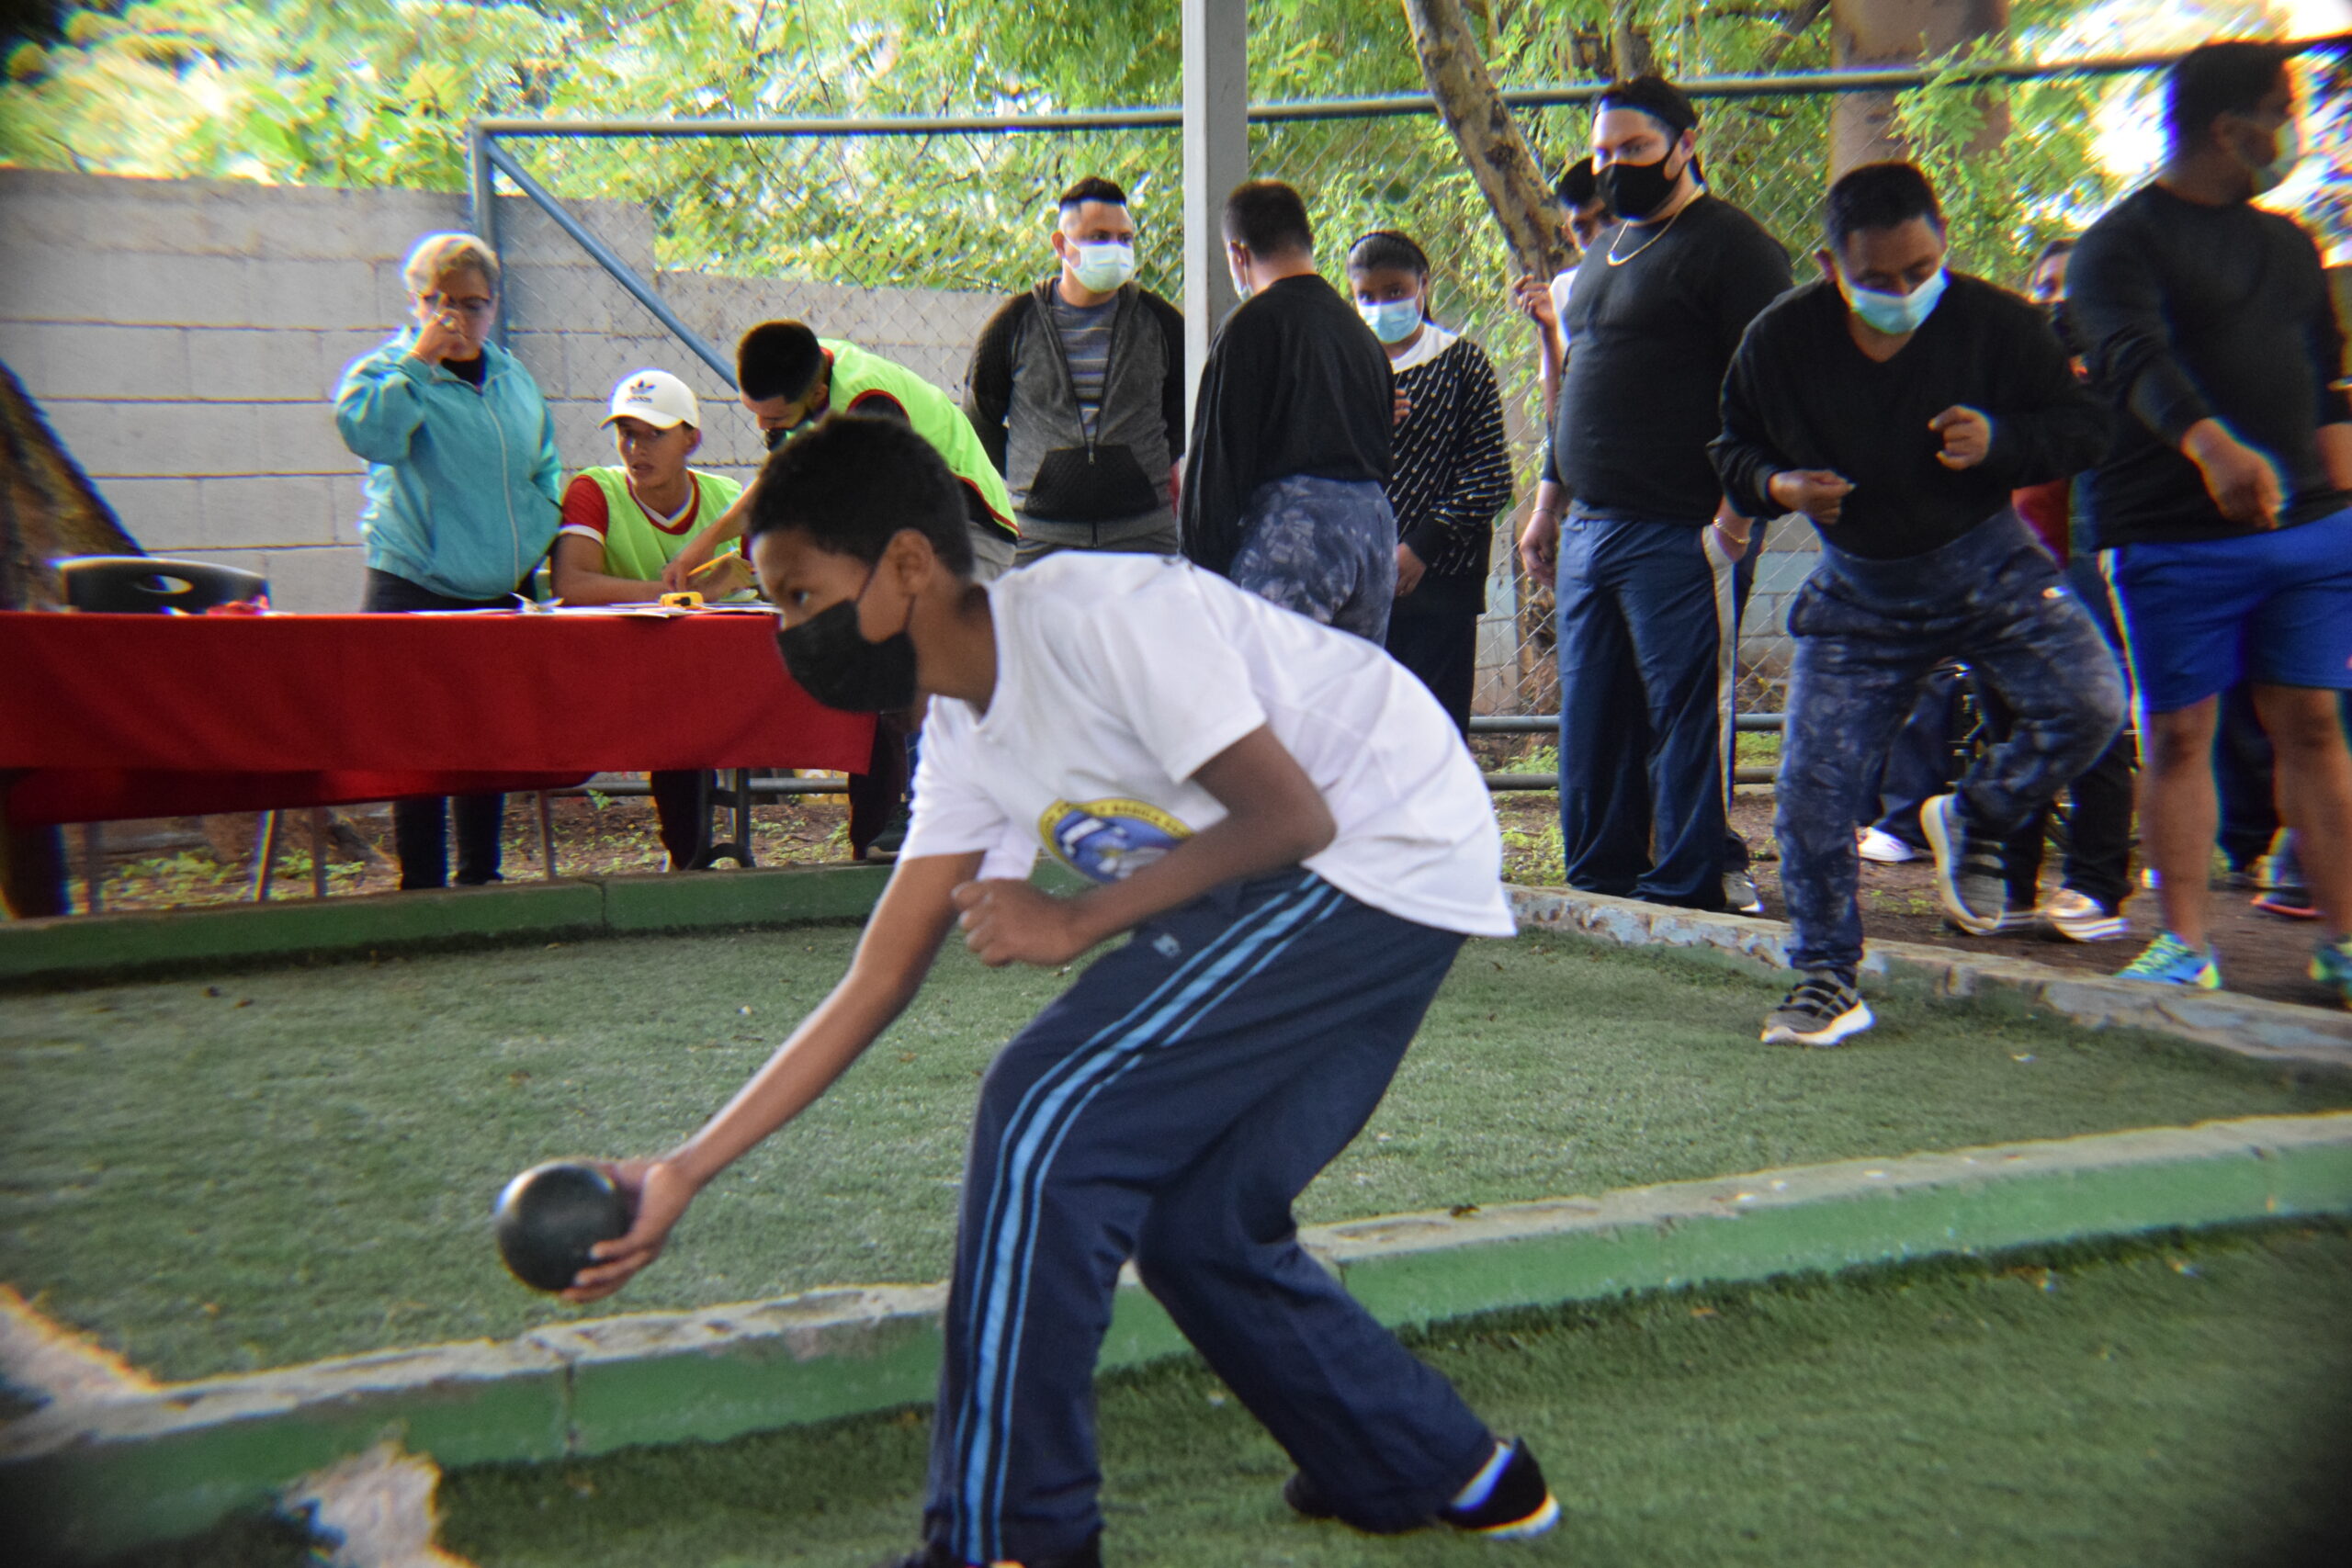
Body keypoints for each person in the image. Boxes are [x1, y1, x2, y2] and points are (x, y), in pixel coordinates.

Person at [565, 414, 1554, 1568]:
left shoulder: (1096, 617)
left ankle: (1007, 1539)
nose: (788, 632)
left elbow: (1290, 816)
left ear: (906, 564)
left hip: (1378, 839)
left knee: (1045, 1107)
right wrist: (685, 1167)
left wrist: (1078, 918)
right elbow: (878, 978)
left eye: (797, 596)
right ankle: (1440, 1466)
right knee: (1199, 1223)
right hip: (1355, 866)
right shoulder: (961, 741)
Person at [1711, 161, 2120, 1046]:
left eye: (1922, 270)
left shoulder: (1999, 323)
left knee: (2093, 702)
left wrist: (2004, 440)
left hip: (1992, 563)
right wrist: (1780, 486)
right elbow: (1732, 448)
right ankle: (1826, 976)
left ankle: (1975, 815)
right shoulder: (1779, 341)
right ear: (1831, 265)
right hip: (1861, 589)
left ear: (1944, 248)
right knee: (1811, 792)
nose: (1903, 293)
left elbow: (2086, 427)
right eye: (1878, 278)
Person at [2070, 39, 2352, 1000]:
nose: (2294, 131)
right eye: (2284, 111)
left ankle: (2344, 939)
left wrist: (2342, 494)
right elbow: (2130, 358)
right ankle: (2184, 944)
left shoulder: (2290, 244)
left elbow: (2327, 376)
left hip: (2310, 532)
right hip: (2170, 535)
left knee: (2314, 723)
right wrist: (2212, 447)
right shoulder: (2118, 244)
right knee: (2181, 733)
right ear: (2232, 128)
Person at [1516, 75, 1794, 914]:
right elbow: (1580, 385)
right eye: (1604, 151)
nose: (1615, 166)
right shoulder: (1606, 253)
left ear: (1685, 143)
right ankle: (1598, 886)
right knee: (1593, 716)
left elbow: (1771, 392)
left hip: (1684, 530)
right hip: (1589, 527)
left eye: (1634, 148)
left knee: (1685, 715)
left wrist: (1735, 519)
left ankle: (1684, 888)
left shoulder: (1735, 248)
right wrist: (1548, 502)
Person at [665, 321, 1023, 859]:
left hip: (972, 526)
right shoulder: (811, 371)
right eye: (756, 414)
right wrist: (707, 543)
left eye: (774, 419)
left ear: (814, 395)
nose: (765, 427)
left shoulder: (867, 405)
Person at [334, 231, 560, 891]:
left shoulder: (513, 378)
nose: (454, 316)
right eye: (437, 301)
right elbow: (368, 434)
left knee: (485, 738)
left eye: (471, 302)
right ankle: (422, 884)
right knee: (417, 741)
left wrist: (535, 526)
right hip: (414, 580)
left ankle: (480, 876)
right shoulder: (385, 371)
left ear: (494, 304)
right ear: (415, 302)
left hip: (497, 587)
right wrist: (418, 363)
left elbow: (543, 463)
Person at [1989, 232, 2141, 941]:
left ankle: (2095, 883)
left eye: (2069, 286)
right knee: (2008, 719)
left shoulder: (2118, 370)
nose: (2055, 300)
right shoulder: (2010, 371)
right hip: (2010, 564)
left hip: (2083, 565)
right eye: (2044, 285)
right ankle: (2012, 883)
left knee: (2094, 715)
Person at [1181, 179, 1397, 641]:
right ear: (1307, 240)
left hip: (1296, 538)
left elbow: (1219, 465)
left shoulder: (1249, 326)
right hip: (1373, 534)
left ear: (1237, 254)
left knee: (1272, 681)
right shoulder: (1361, 336)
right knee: (1349, 684)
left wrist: (1200, 575)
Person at [551, 368, 749, 870]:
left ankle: (690, 858)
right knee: (677, 710)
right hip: (610, 677)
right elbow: (571, 584)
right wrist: (688, 595)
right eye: (626, 433)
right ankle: (689, 858)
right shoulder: (595, 490)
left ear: (692, 439)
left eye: (654, 434)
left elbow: (769, 576)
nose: (636, 449)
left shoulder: (726, 499)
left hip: (700, 682)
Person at [965, 176, 1188, 563]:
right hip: (1039, 540)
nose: (1115, 248)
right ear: (1060, 244)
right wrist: (1035, 476)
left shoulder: (1160, 322)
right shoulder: (1014, 323)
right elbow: (977, 417)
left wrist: (1138, 467)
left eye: (1125, 238)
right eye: (1099, 237)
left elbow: (1187, 409)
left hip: (1144, 537)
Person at [1344, 230, 1515, 733]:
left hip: (1442, 582)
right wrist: (1362, 423)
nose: (1382, 306)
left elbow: (1490, 475)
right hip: (1355, 577)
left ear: (1423, 285)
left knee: (1435, 730)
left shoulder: (1463, 363)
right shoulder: (1342, 366)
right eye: (1367, 296)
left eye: (1395, 291)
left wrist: (1421, 546)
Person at [1510, 156, 1611, 427]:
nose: (1599, 235)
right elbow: (1558, 416)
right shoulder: (1565, 289)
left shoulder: (1659, 274)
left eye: (1607, 218)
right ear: (1569, 234)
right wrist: (1548, 330)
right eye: (1582, 227)